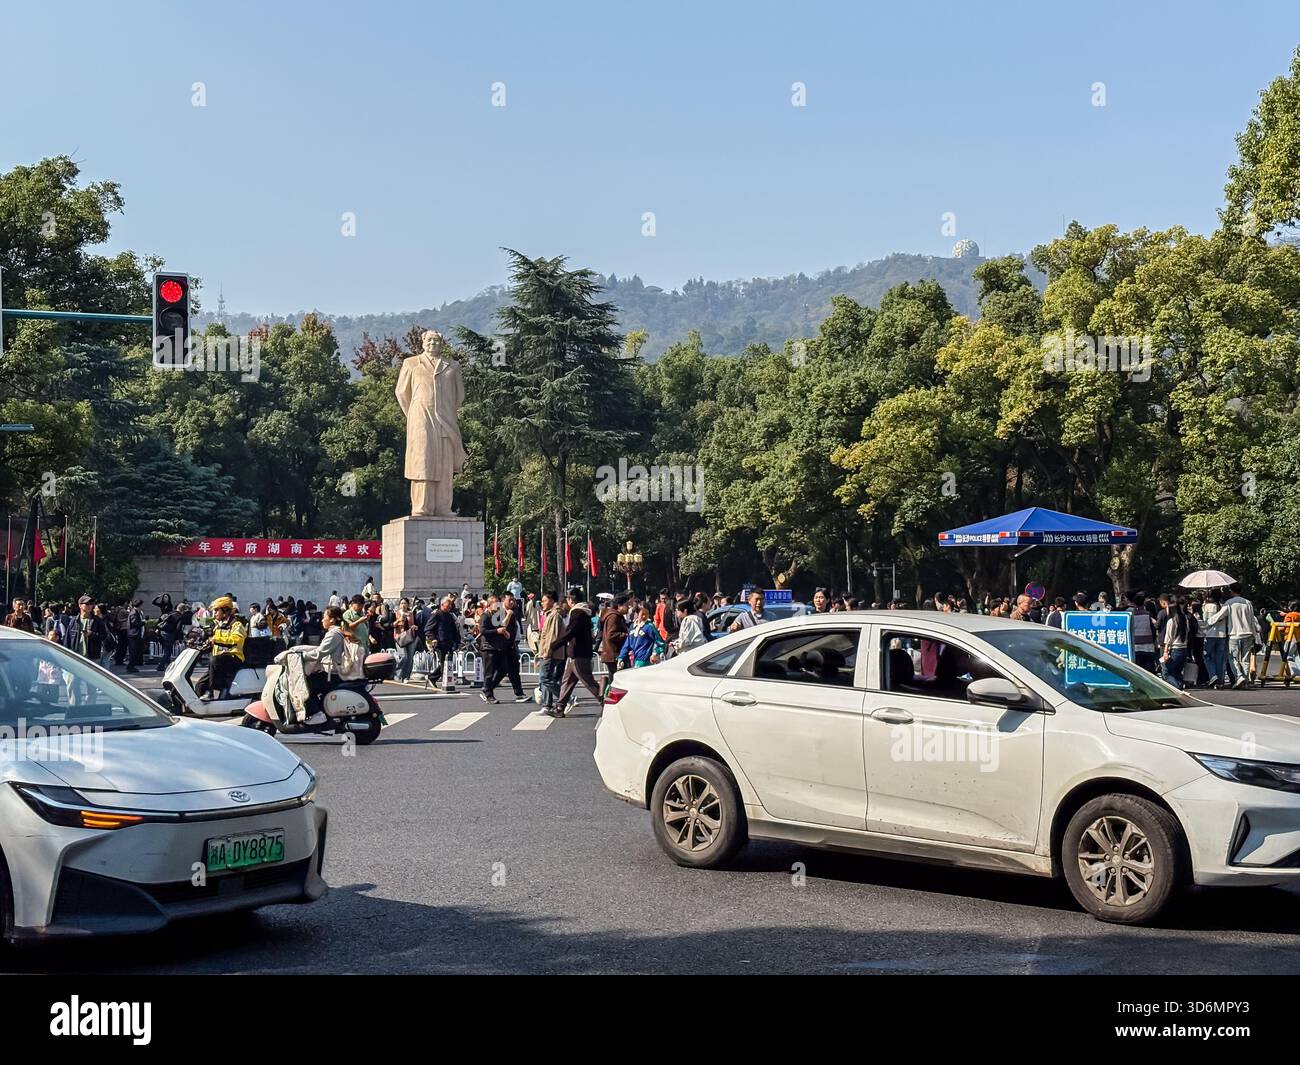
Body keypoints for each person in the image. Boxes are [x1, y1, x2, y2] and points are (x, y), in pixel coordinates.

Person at [553, 589, 601, 716]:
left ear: (571, 600)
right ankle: (559, 707)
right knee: (567, 681)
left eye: (567, 599)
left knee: (589, 682)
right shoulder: (584, 612)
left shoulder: (577, 613)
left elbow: (570, 632)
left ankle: (606, 702)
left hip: (579, 653)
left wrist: (554, 645)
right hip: (577, 653)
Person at [194, 596, 247, 699]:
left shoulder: (236, 625)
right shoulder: (218, 625)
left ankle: (210, 692)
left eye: (216, 610)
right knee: (200, 685)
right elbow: (212, 640)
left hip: (233, 658)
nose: (215, 614)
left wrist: (216, 639)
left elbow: (237, 641)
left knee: (214, 660)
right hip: (220, 660)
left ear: (225, 611)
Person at [480, 593, 527, 704]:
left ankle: (488, 689)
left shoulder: (498, 615)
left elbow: (501, 626)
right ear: (489, 605)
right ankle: (489, 694)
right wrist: (498, 631)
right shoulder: (485, 615)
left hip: (498, 647)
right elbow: (483, 631)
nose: (498, 605)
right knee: (489, 672)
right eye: (495, 604)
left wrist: (504, 632)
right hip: (488, 647)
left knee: (503, 669)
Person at [535, 590, 568, 712]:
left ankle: (566, 698)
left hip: (551, 652)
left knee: (544, 678)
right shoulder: (549, 614)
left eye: (544, 600)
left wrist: (546, 652)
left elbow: (551, 636)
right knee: (546, 677)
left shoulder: (554, 615)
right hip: (548, 651)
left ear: (552, 601)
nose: (542, 603)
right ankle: (547, 705)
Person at [1224, 585, 1261, 688]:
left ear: (1231, 591)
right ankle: (1245, 681)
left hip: (1234, 634)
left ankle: (1239, 676)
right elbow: (1251, 619)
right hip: (1248, 634)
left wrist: (1208, 623)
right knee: (1245, 659)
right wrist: (1254, 634)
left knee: (1232, 657)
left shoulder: (1229, 603)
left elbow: (1220, 615)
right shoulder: (1248, 603)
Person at [426, 595, 462, 686]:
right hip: (439, 643)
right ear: (442, 604)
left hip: (448, 642)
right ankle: (446, 682)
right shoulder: (436, 614)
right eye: (448, 604)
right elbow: (428, 629)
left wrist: (458, 641)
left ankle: (432, 677)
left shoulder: (449, 616)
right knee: (443, 662)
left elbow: (454, 630)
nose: (450, 606)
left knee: (448, 661)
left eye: (451, 604)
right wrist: (432, 639)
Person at [1200, 589, 1230, 689]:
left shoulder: (1207, 606)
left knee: (1207, 656)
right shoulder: (1224, 606)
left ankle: (1213, 675)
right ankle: (1220, 681)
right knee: (1220, 658)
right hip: (1222, 635)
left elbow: (1205, 621)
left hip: (1210, 634)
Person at [1159, 597, 1191, 688]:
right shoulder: (1185, 618)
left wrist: (1165, 651)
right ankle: (1179, 687)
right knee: (1177, 672)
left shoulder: (1171, 621)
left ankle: (1178, 687)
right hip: (1184, 649)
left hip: (1175, 650)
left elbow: (1168, 638)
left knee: (1166, 672)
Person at [1128, 592, 1158, 673]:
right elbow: (1153, 629)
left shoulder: (1130, 615)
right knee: (1149, 671)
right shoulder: (1148, 614)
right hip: (1148, 646)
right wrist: (1155, 642)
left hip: (1135, 646)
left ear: (1134, 603)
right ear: (1143, 603)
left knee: (1138, 670)